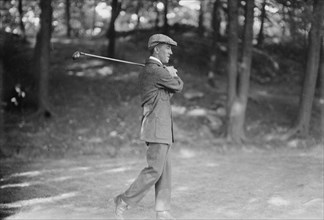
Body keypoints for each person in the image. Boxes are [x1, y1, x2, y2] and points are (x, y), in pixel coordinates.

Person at [113, 34, 184, 220]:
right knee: (154, 171)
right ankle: (123, 200)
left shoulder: (154, 71)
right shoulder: (155, 71)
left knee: (164, 172)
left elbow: (168, 94)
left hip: (162, 129)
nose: (170, 52)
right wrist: (172, 73)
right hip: (156, 129)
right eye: (167, 48)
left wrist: (167, 73)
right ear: (156, 49)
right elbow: (178, 86)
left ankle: (162, 211)